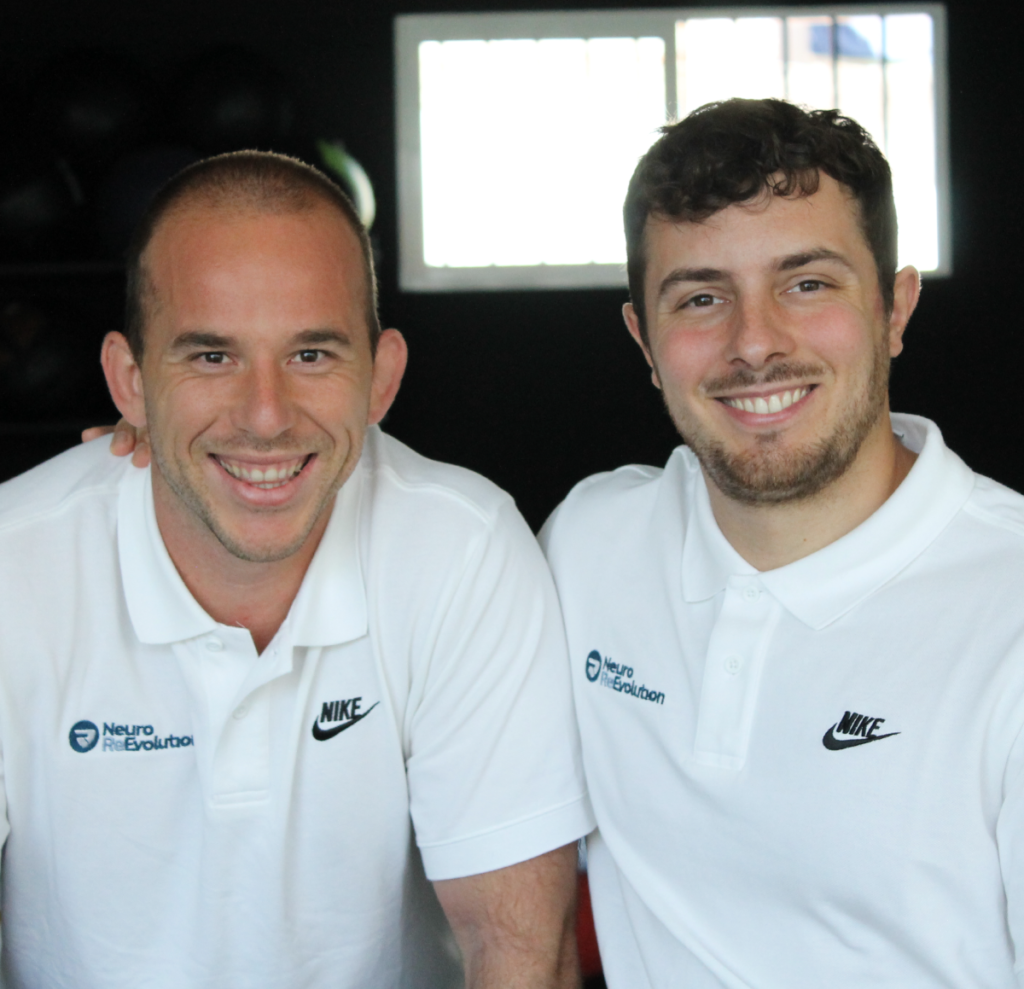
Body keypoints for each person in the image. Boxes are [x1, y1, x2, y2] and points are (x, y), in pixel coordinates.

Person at [0, 151, 594, 989]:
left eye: (311, 355)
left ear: (381, 378)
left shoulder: (462, 550)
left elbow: (519, 950)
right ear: (130, 383)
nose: (266, 416)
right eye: (212, 357)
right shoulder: (15, 562)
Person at [541, 97, 1024, 987]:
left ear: (894, 308)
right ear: (644, 339)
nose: (755, 343)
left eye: (807, 284)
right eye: (701, 297)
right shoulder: (588, 547)